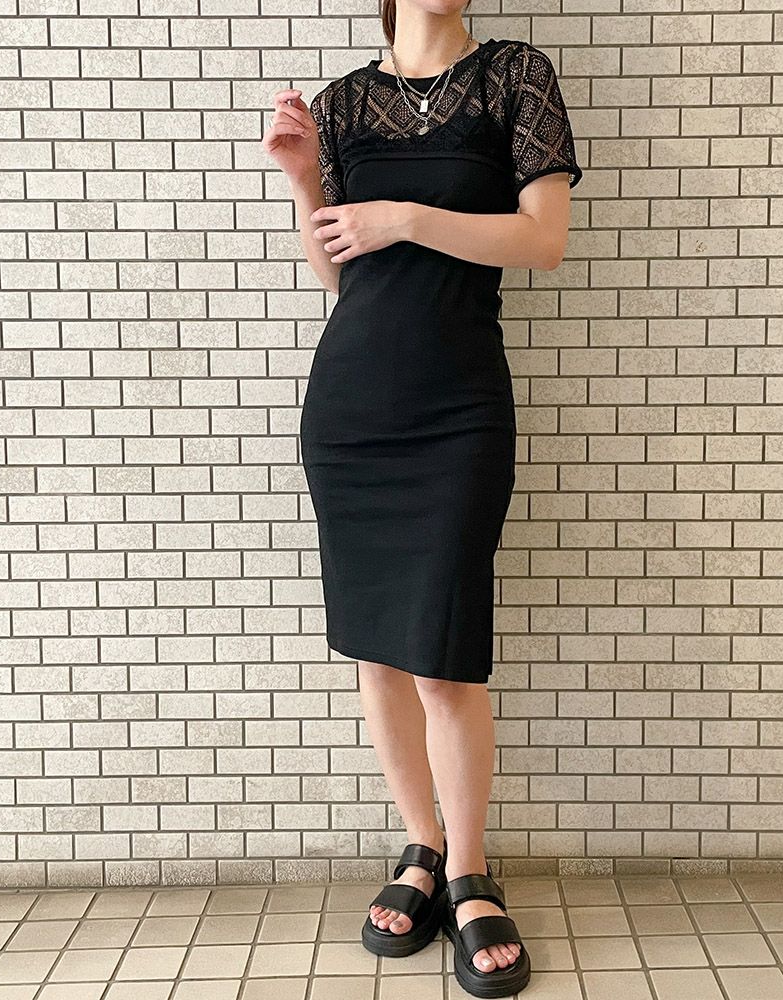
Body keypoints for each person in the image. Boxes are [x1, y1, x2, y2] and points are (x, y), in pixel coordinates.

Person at [264, 2, 582, 996]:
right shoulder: (341, 104)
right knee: (378, 653)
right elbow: (339, 276)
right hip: (352, 406)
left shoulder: (515, 76)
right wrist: (305, 179)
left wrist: (404, 217)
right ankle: (422, 848)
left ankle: (472, 870)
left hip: (458, 407)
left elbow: (542, 241)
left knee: (443, 658)